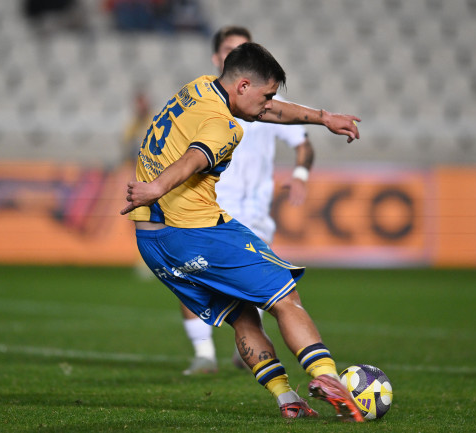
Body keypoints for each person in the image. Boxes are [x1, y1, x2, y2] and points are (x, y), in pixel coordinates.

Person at [120, 42, 363, 420]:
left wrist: (322, 117)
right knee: (285, 296)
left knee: (243, 316)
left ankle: (287, 399)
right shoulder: (226, 127)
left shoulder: (197, 88)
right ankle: (327, 377)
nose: (269, 104)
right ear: (244, 86)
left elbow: (269, 112)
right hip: (195, 231)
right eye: (266, 95)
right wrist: (157, 187)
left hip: (153, 242)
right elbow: (195, 157)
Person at [180, 26, 314, 376]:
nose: (235, 53)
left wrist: (301, 175)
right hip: (206, 206)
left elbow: (303, 143)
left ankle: (250, 349)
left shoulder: (267, 103)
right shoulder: (201, 101)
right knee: (191, 277)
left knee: (254, 288)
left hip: (253, 213)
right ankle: (204, 354)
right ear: (217, 57)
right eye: (229, 48)